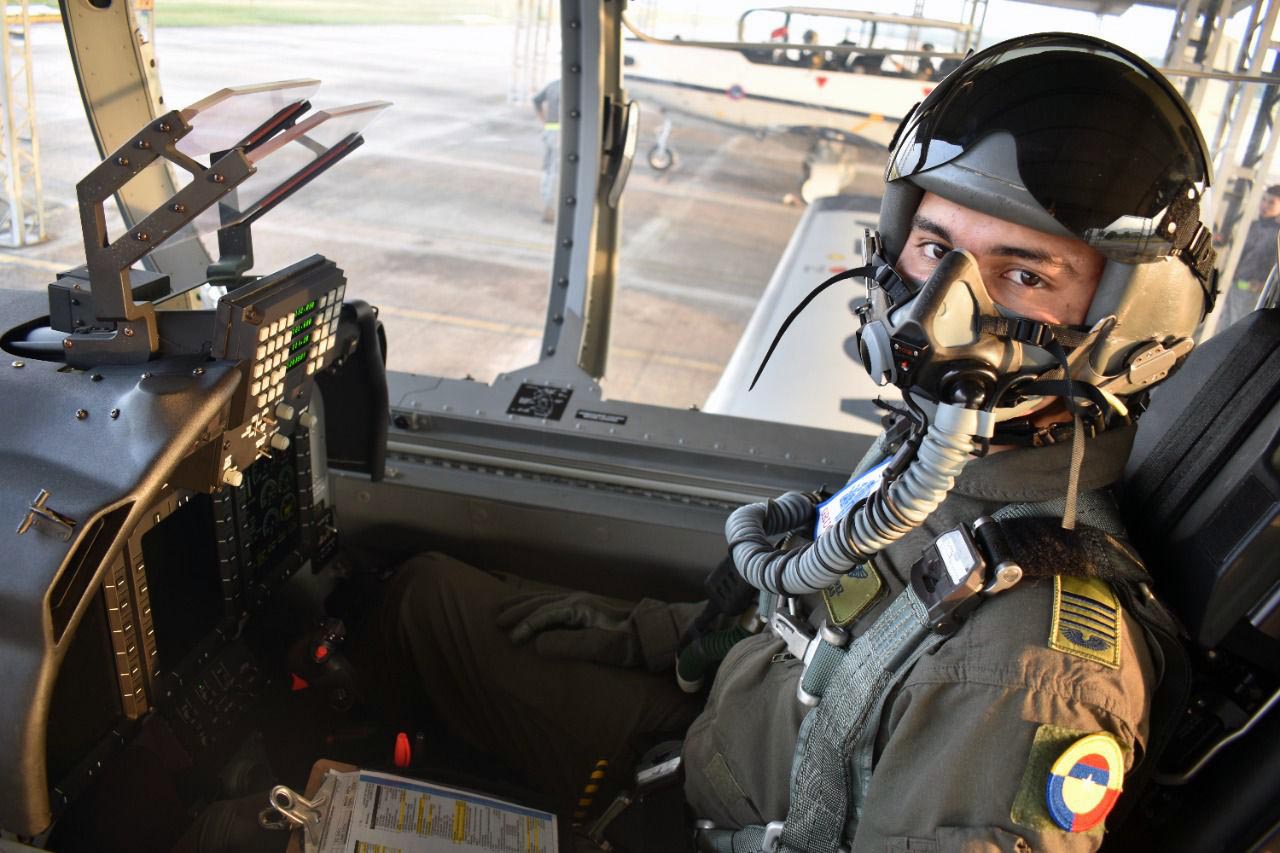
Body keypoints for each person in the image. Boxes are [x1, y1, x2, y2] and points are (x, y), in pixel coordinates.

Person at [388, 33, 1216, 852]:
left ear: (1130, 319)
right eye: (935, 247)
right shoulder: (948, 458)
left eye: (1024, 274)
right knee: (423, 596)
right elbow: (820, 616)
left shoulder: (1025, 678)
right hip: (711, 733)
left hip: (712, 815)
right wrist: (644, 631)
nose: (935, 308)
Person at [1222, 184, 1280, 325]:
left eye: (1271, 202)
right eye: (1264, 200)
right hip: (1231, 288)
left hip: (1254, 295)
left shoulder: (1277, 235)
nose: (1265, 205)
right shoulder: (1252, 226)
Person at [533, 78, 561, 223]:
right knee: (555, 172)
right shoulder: (571, 88)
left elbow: (536, 101)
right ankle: (550, 209)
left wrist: (544, 121)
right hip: (561, 134)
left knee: (548, 170)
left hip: (550, 131)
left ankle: (547, 205)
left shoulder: (553, 85)